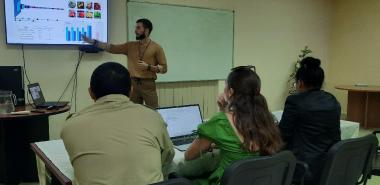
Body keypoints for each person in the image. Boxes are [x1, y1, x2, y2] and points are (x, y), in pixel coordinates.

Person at [61, 62, 174, 185]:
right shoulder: (153, 117)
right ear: (131, 90)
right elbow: (168, 154)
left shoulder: (71, 126)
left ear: (91, 93)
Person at [184, 66, 283, 185]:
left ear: (230, 92)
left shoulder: (221, 121)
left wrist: (222, 110)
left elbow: (189, 155)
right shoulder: (267, 119)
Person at [279, 57, 341, 185]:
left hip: (302, 168)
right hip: (329, 165)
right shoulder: (332, 100)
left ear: (300, 82)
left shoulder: (295, 101)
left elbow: (283, 134)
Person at [83, 18, 167, 108]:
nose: (135, 31)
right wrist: (94, 42)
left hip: (148, 85)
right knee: (132, 111)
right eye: (136, 28)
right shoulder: (130, 46)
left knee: (153, 111)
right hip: (133, 84)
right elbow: (112, 48)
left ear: (146, 30)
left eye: (138, 28)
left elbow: (164, 69)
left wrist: (149, 67)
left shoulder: (157, 48)